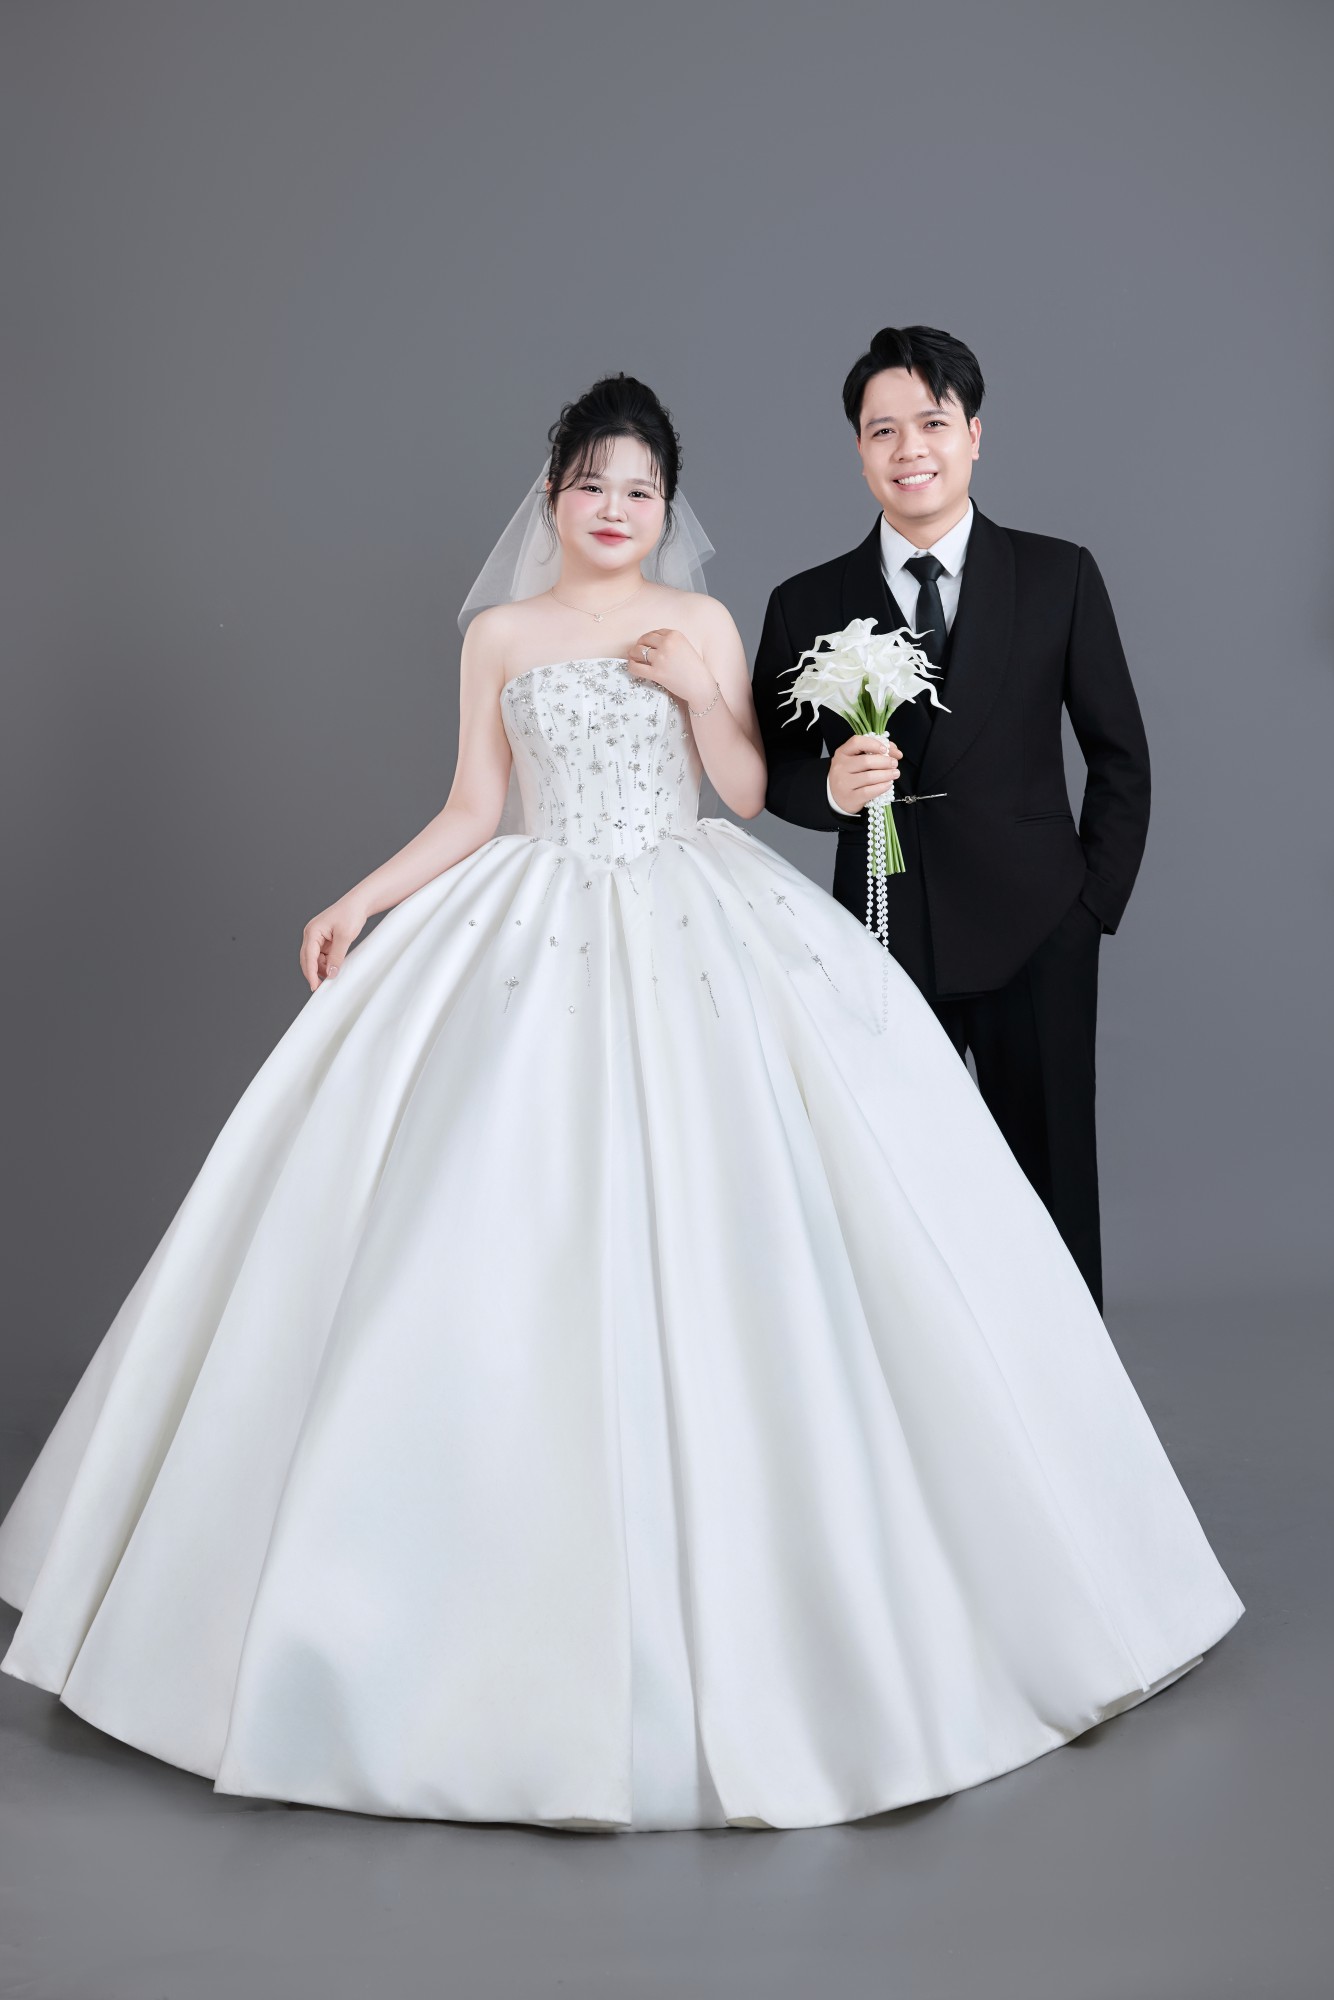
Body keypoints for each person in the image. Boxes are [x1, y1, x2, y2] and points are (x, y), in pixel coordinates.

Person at [0, 373, 1238, 1833]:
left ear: (666, 507)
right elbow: (473, 809)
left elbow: (739, 789)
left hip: (692, 913)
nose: (614, 508)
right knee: (477, 1230)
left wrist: (701, 692)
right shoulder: (498, 635)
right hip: (532, 922)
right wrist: (359, 899)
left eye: (639, 489)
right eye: (591, 484)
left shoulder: (703, 621)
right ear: (553, 496)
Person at [752, 325, 1152, 1309]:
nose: (909, 449)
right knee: (894, 1201)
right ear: (858, 450)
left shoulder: (1057, 575)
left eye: (931, 423)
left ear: (973, 434)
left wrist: (1087, 910)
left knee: (1053, 1192)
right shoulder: (806, 600)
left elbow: (1119, 757)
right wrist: (831, 789)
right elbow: (770, 769)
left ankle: (1063, 1398)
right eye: (881, 430)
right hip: (883, 932)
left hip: (1037, 931)